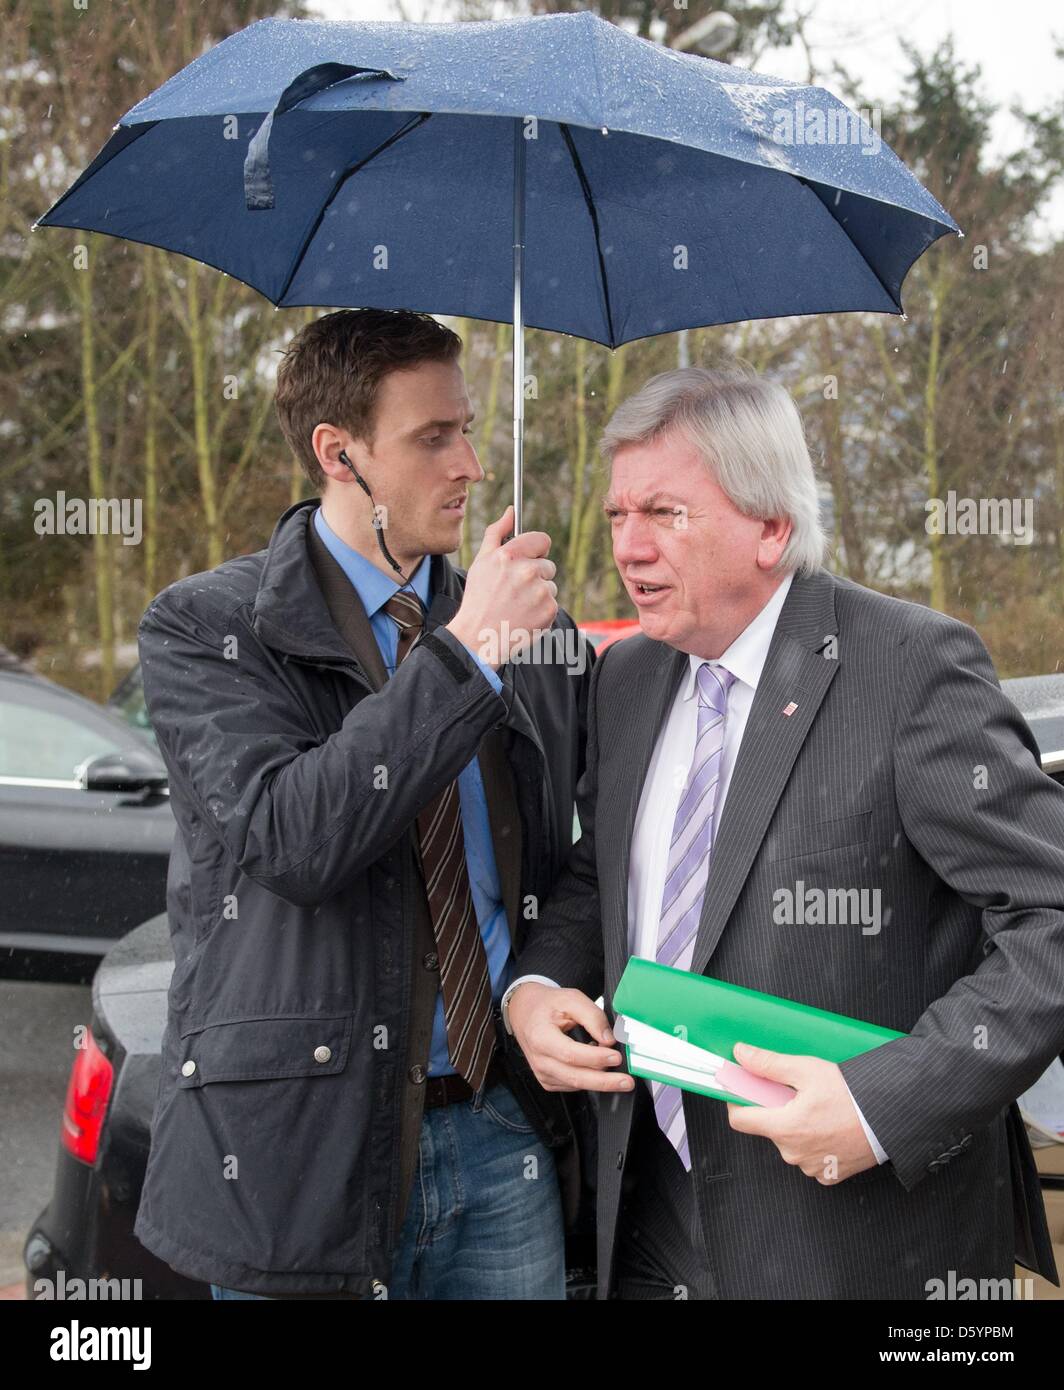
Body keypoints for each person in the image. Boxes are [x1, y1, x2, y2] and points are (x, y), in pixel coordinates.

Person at [506, 364, 1064, 1300]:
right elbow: (602, 882)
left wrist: (881, 1105)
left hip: (857, 1244)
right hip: (648, 1227)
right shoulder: (629, 678)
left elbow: (1050, 918)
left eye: (665, 515)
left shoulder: (912, 668)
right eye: (616, 518)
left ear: (771, 527)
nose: (629, 551)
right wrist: (534, 987)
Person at [132, 308, 593, 1299]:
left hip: (499, 1131)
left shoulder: (533, 637)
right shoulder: (209, 629)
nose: (470, 464)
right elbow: (294, 838)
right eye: (432, 438)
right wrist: (463, 656)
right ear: (339, 454)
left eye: (469, 428)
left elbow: (578, 868)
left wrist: (539, 984)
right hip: (301, 1159)